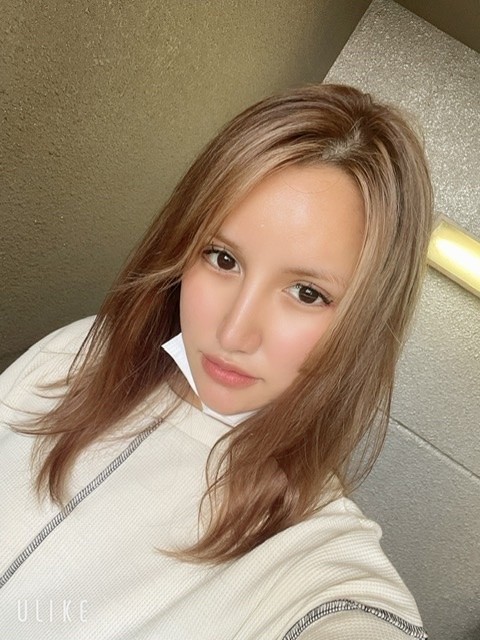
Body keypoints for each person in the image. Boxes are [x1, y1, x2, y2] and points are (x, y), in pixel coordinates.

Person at [0, 84, 432, 639]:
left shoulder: (312, 561)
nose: (233, 333)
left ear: (364, 324)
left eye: (307, 293)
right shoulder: (82, 351)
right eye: (222, 258)